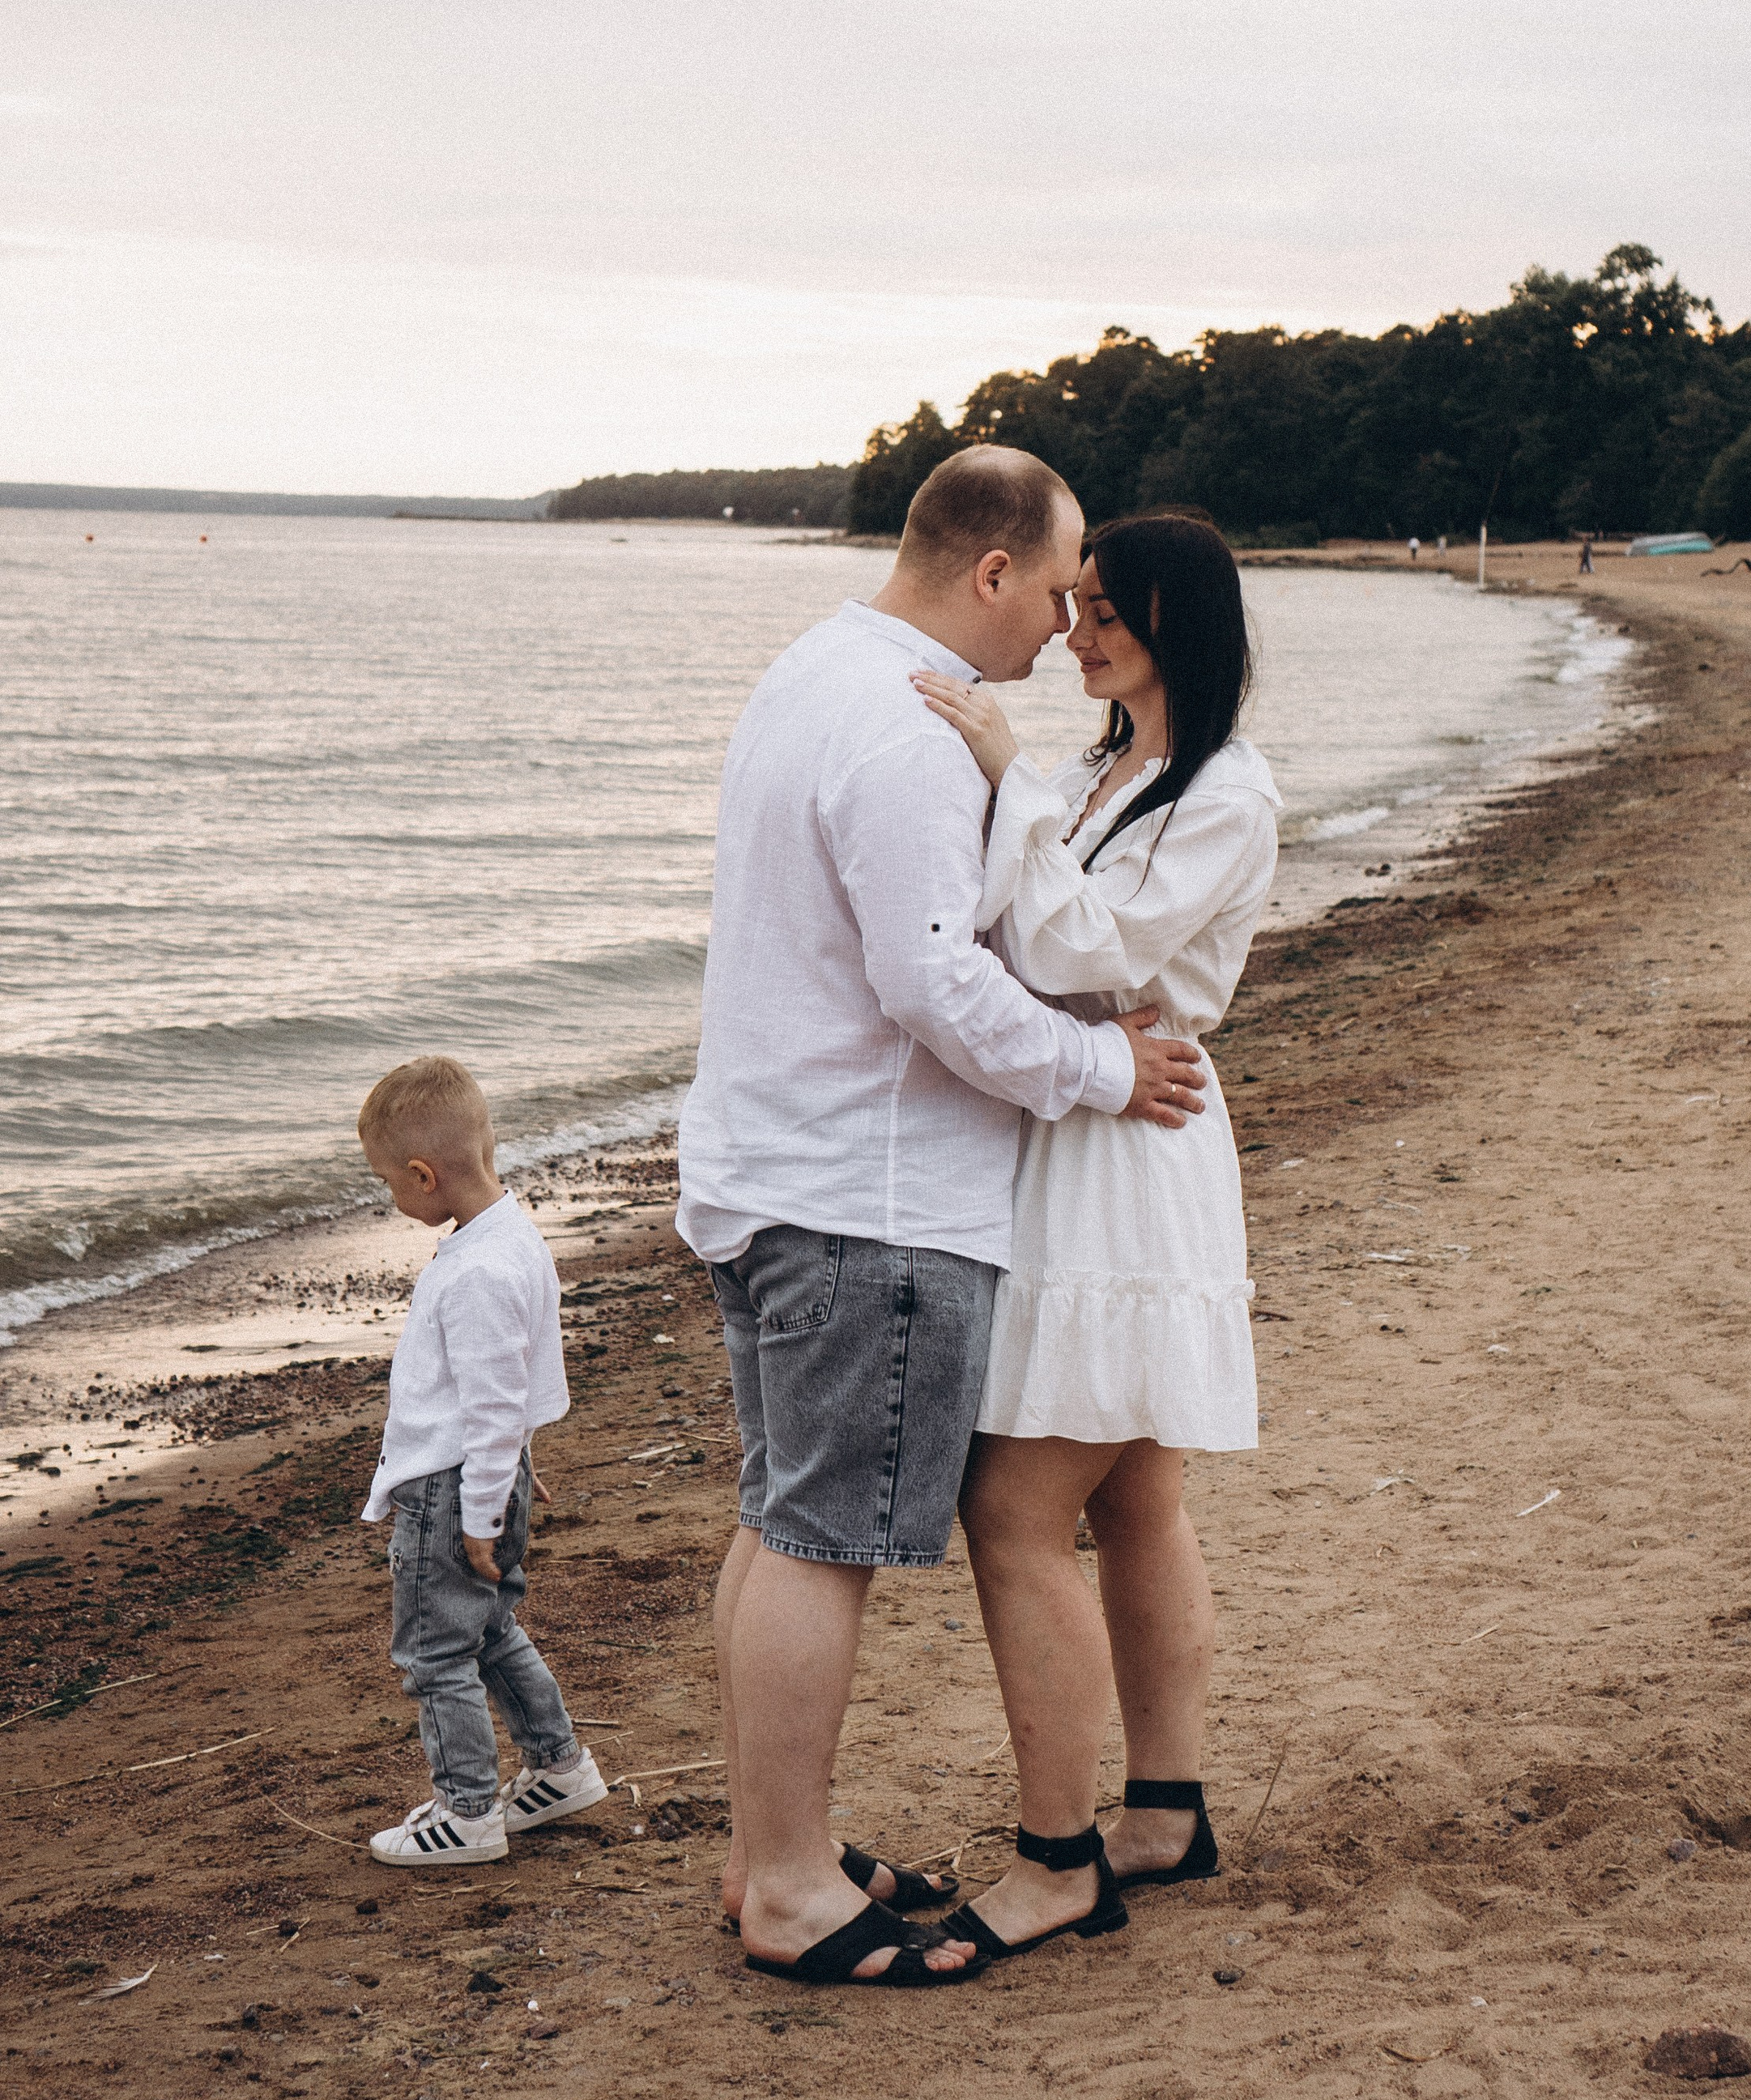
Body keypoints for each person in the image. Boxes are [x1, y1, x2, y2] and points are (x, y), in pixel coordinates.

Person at [677, 447, 1208, 1987]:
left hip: (772, 1166)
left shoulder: (809, 672)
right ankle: (784, 1879)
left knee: (779, 1521)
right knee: (821, 1546)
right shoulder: (913, 728)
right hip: (872, 1190)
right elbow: (929, 982)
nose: (1060, 630)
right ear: (990, 572)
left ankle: (763, 1845)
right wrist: (1102, 1068)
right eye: (1053, 591)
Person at [908, 512, 1280, 1967]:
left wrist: (1002, 776)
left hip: (1137, 1137)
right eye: (1076, 606)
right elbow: (1013, 935)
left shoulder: (1228, 793)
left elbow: (1081, 953)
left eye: (1108, 610)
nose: (1077, 630)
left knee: (1013, 1508)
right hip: (1085, 1117)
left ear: (1175, 619)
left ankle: (1061, 1856)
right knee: (1131, 1502)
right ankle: (1166, 1812)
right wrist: (1017, 799)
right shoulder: (1097, 767)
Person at [357, 1056, 606, 1867]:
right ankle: (559, 1766)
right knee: (490, 1627)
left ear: (425, 1174)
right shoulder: (510, 1236)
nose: (392, 1197)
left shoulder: (478, 1272)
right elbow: (518, 1381)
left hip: (455, 1491)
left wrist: (479, 1511)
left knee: (435, 1651)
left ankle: (465, 1812)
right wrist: (512, 1471)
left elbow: (493, 1401)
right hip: (488, 1476)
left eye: (391, 1182)